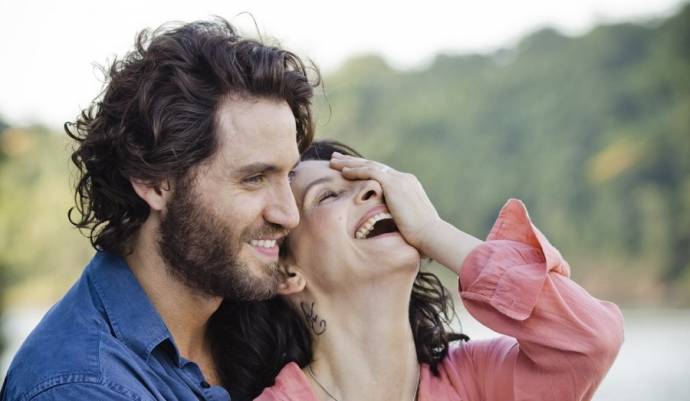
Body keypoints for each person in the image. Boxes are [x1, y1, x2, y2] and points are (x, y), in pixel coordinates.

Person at [1, 19, 318, 401]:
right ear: (154, 182)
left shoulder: (247, 315)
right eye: (254, 179)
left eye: (289, 175)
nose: (288, 214)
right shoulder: (83, 386)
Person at [212, 140, 625, 401]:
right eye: (327, 196)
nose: (376, 190)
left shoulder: (478, 382)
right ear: (286, 273)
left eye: (378, 183)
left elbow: (589, 341)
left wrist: (433, 230)